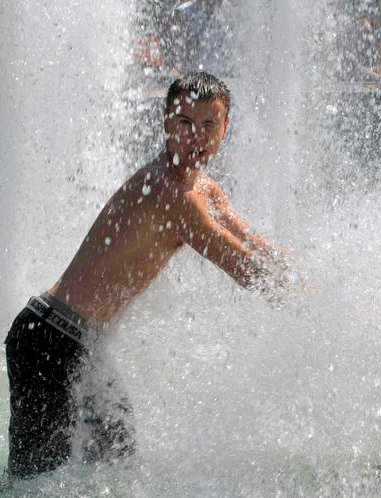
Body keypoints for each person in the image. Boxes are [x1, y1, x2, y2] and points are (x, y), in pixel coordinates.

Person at [4, 72, 297, 479]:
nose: (196, 136)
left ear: (225, 128)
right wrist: (304, 306)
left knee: (117, 464)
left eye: (209, 125)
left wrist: (305, 276)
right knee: (36, 482)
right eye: (184, 124)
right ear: (165, 123)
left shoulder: (204, 189)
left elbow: (251, 241)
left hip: (82, 344)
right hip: (51, 341)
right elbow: (246, 271)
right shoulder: (174, 196)